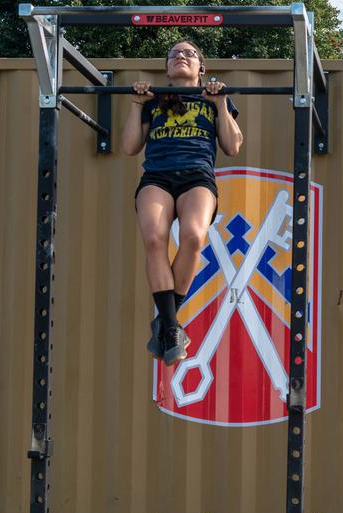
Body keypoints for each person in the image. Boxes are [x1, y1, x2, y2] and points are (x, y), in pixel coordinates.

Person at [121, 40, 243, 365]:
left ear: (201, 68)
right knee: (153, 239)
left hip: (197, 177)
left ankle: (165, 321)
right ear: (167, 68)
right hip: (157, 177)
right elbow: (130, 147)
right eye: (174, 53)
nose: (181, 56)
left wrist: (220, 104)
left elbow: (232, 147)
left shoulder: (214, 99)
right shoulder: (153, 100)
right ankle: (173, 327)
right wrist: (135, 104)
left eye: (189, 53)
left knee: (193, 237)